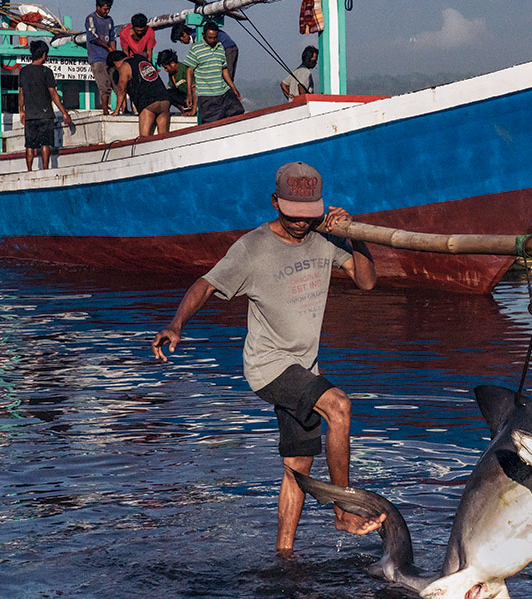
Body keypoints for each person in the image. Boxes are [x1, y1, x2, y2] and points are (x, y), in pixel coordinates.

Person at [150, 162, 381, 556]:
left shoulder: (325, 238)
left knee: (298, 465)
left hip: (304, 368)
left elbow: (367, 281)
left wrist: (354, 235)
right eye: (293, 215)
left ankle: (284, 555)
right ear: (275, 202)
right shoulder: (252, 248)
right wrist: (176, 324)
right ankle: (343, 511)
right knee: (339, 406)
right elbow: (206, 285)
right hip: (268, 367)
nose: (301, 223)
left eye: (308, 215)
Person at [17, 40, 75, 171]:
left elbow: (21, 94)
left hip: (30, 115)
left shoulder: (23, 71)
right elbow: (53, 93)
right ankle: (45, 169)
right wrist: (64, 112)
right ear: (44, 54)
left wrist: (21, 110)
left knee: (29, 145)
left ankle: (29, 170)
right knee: (45, 144)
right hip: (45, 114)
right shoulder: (46, 71)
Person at [107, 50, 182, 137]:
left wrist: (116, 110)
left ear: (115, 63)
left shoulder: (125, 66)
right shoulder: (141, 59)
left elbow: (121, 90)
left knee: (143, 139)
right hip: (164, 100)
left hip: (148, 103)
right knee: (164, 137)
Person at [183, 22, 245, 124]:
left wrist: (233, 88)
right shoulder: (196, 49)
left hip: (224, 92)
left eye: (215, 38)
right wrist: (189, 93)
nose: (212, 40)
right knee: (212, 123)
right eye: (210, 38)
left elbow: (224, 70)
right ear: (203, 35)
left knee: (238, 114)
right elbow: (189, 71)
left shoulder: (220, 47)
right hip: (207, 96)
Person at [171, 22, 239, 81]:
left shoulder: (197, 36)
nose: (182, 42)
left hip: (227, 48)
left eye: (180, 40)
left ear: (184, 34)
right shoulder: (196, 33)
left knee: (226, 77)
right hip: (228, 48)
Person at [83, 0, 116, 114]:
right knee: (104, 86)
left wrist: (113, 53)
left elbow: (112, 37)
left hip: (109, 58)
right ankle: (105, 110)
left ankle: (121, 109)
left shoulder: (110, 20)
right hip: (97, 58)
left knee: (117, 84)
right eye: (105, 9)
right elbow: (93, 37)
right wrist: (107, 47)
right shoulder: (91, 18)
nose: (107, 12)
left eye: (109, 9)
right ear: (98, 6)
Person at [154, 49, 191, 114]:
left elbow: (194, 88)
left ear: (172, 63)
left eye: (166, 68)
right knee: (166, 93)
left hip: (193, 98)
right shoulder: (171, 74)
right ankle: (183, 110)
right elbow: (170, 92)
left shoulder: (185, 69)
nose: (165, 70)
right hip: (183, 99)